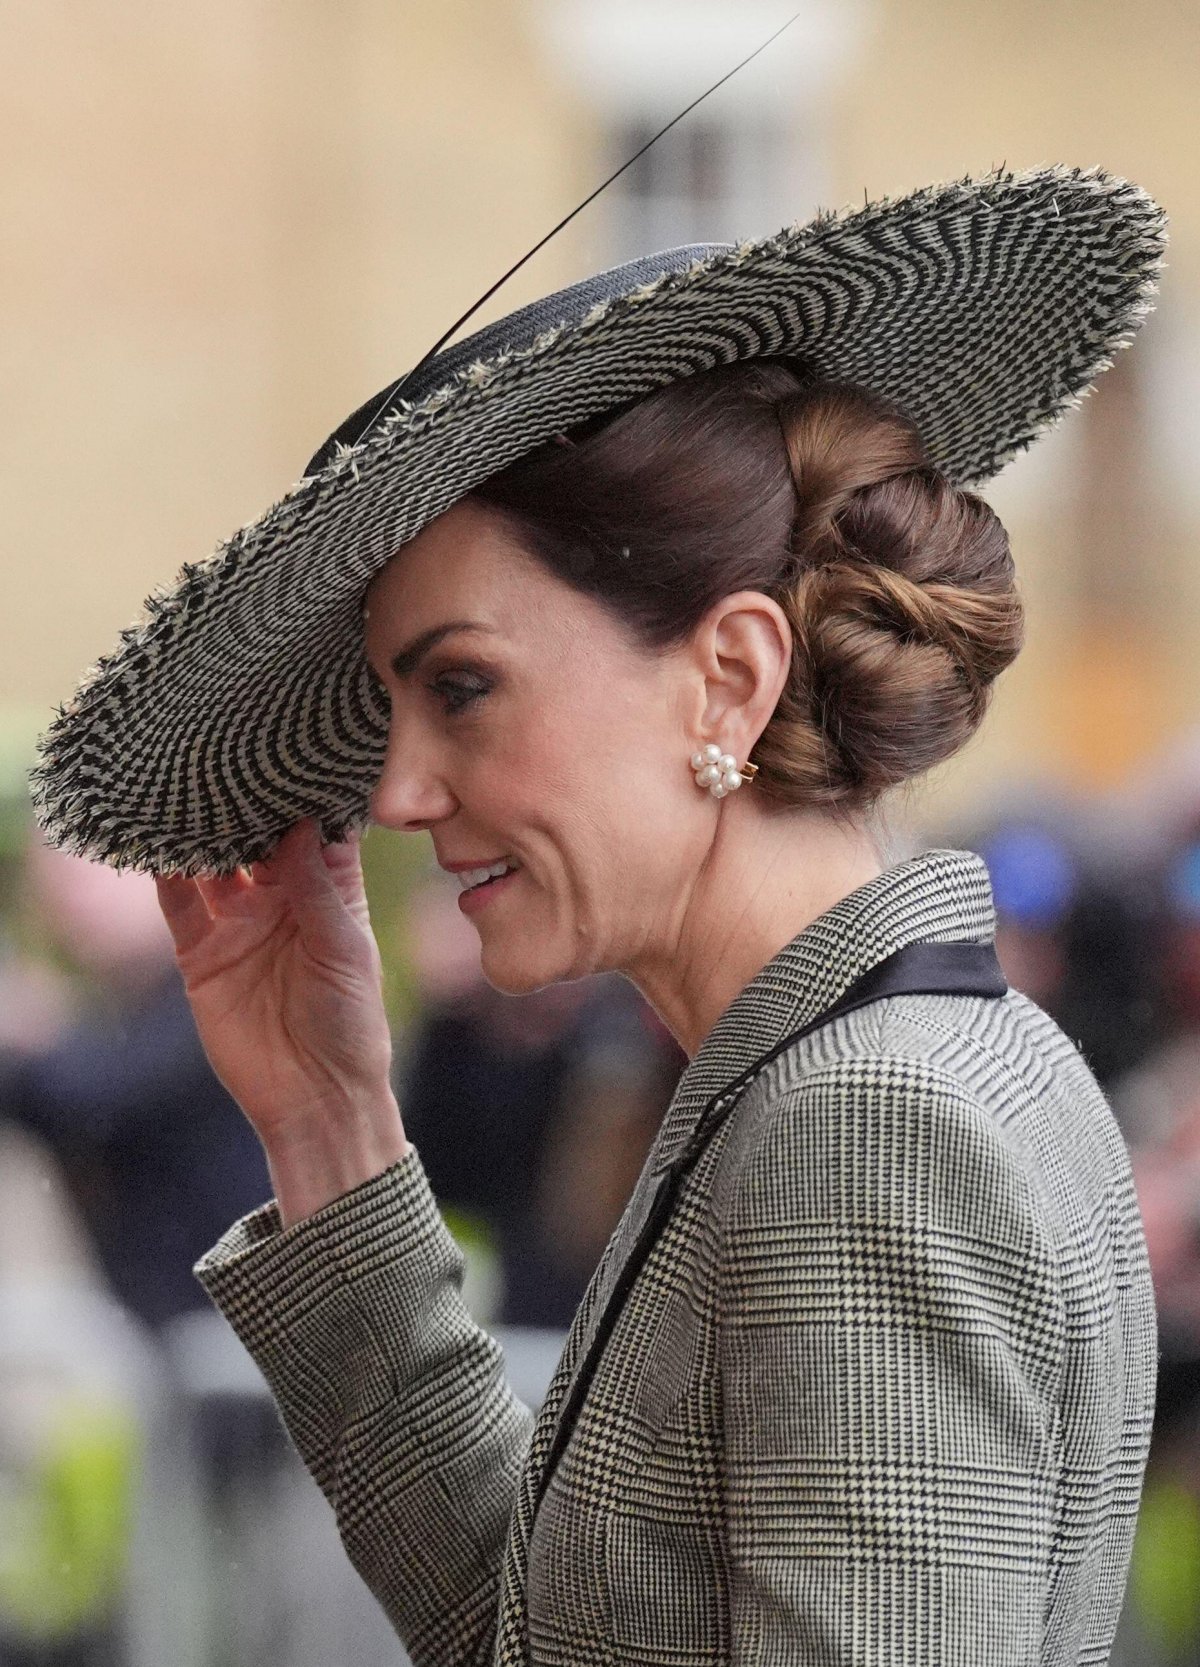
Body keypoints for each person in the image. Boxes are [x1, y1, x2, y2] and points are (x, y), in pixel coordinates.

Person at [31, 168, 1166, 1664]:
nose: (400, 795)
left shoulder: (871, 1122)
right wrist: (326, 1121)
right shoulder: (878, 1066)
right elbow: (542, 1635)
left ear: (730, 676)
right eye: (391, 711)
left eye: (460, 687)